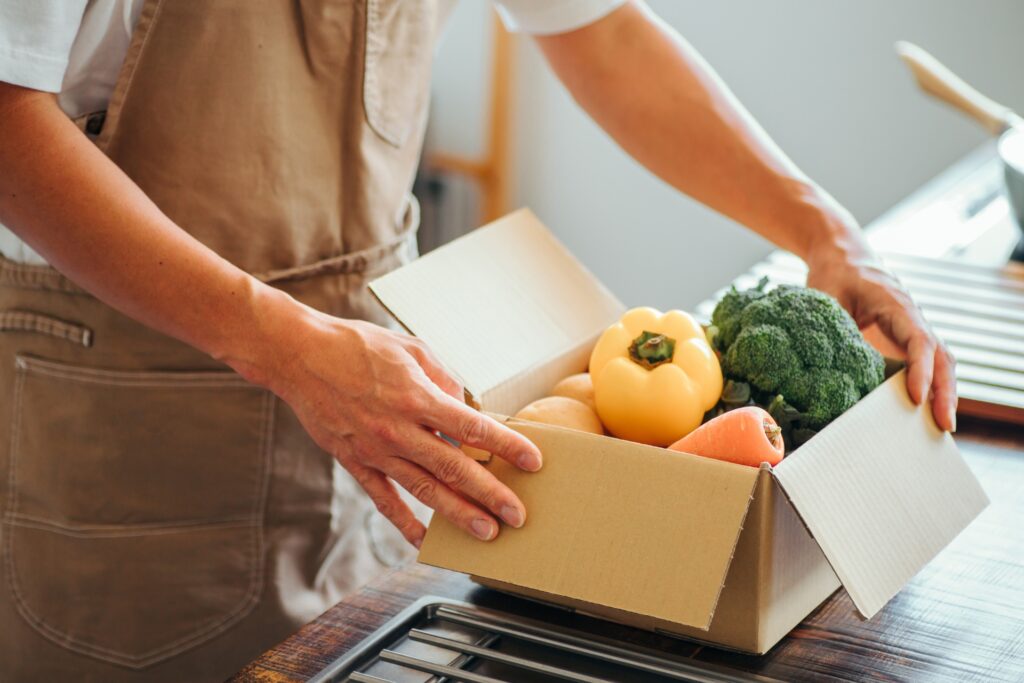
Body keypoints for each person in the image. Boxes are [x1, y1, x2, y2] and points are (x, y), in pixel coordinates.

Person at [0, 0, 956, 680]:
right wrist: (284, 344)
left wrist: (824, 230)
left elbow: (599, 29)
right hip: (134, 397)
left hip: (386, 389)